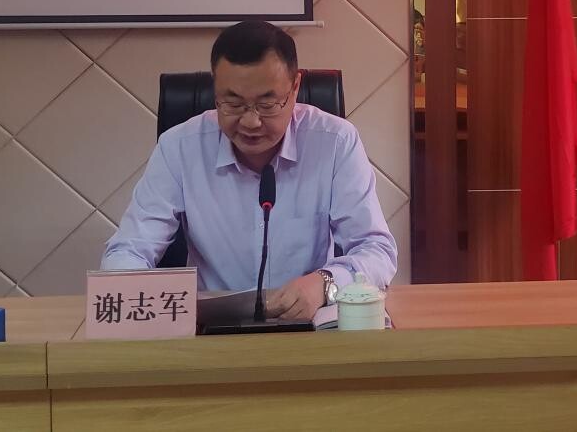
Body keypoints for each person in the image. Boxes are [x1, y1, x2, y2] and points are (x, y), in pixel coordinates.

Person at [102, 21, 397, 321]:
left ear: (295, 87)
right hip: (212, 332)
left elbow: (376, 250)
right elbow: (128, 250)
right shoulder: (179, 147)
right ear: (215, 90)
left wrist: (325, 284)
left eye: (267, 104)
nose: (250, 122)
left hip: (309, 327)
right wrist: (139, 301)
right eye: (232, 103)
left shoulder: (334, 142)